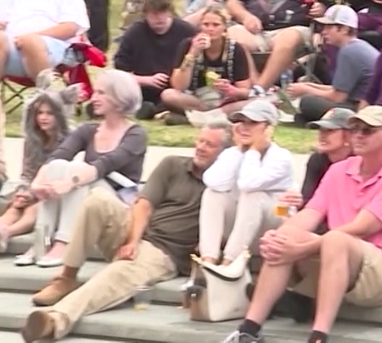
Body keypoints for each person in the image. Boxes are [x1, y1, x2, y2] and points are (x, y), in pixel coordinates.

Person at [222, 106, 382, 343]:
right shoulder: (338, 170)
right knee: (286, 235)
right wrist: (280, 235)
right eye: (355, 128)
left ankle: (318, 336)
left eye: (367, 130)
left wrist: (303, 249)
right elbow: (310, 213)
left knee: (336, 239)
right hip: (340, 259)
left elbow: (361, 228)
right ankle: (249, 330)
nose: (358, 134)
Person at [20, 123, 227, 341]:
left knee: (119, 272)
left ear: (224, 153)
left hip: (164, 253)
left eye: (210, 145)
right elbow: (143, 205)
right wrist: (132, 241)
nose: (201, 147)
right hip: (137, 231)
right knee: (97, 199)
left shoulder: (223, 190)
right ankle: (66, 277)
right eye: (200, 141)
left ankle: (55, 320)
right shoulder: (173, 164)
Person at [25, 70, 148, 267]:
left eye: (101, 93)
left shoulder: (136, 134)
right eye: (95, 92)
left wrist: (70, 182)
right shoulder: (89, 130)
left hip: (118, 200)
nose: (94, 98)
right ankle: (42, 238)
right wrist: (37, 184)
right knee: (59, 166)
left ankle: (64, 242)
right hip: (87, 188)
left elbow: (106, 164)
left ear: (119, 97)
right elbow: (58, 156)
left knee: (78, 172)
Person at [197, 101, 293, 276]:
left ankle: (229, 262)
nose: (244, 128)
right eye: (241, 122)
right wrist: (239, 150)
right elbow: (212, 182)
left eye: (252, 123)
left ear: (268, 128)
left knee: (253, 195)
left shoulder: (281, 157)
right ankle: (208, 260)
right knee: (212, 194)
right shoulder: (232, 153)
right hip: (244, 225)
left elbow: (248, 184)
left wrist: (255, 150)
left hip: (277, 218)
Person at [0, 73, 75, 252]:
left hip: (56, 193)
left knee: (34, 210)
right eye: (40, 113)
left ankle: (7, 232)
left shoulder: (70, 139)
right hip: (33, 189)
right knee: (15, 206)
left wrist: (35, 193)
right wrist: (23, 191)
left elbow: (66, 176)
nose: (43, 117)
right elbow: (26, 173)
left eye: (49, 113)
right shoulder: (32, 140)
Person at [286, 5, 380, 126]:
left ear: (345, 29)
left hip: (361, 108)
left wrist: (306, 90)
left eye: (329, 27)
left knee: (308, 102)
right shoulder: (356, 46)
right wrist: (309, 85)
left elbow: (338, 97)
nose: (324, 32)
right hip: (358, 102)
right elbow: (339, 89)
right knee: (308, 106)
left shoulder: (349, 51)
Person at [113, 0, 197, 117]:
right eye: (154, 13)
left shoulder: (187, 32)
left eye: (163, 12)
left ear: (170, 10)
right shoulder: (134, 33)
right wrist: (147, 80)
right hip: (143, 92)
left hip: (178, 92)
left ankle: (165, 111)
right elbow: (120, 75)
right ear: (145, 13)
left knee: (170, 97)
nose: (160, 17)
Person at [159, 4, 253, 121]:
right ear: (200, 26)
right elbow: (178, 86)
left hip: (224, 102)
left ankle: (198, 118)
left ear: (224, 27)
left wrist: (230, 89)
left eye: (216, 25)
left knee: (254, 103)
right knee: (168, 95)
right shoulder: (188, 45)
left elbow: (245, 91)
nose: (210, 29)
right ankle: (212, 117)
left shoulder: (235, 49)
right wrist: (192, 54)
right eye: (206, 25)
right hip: (197, 100)